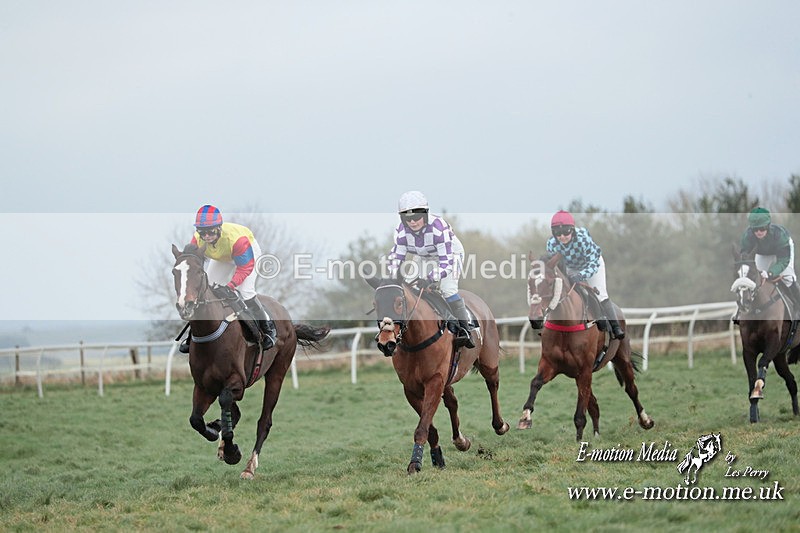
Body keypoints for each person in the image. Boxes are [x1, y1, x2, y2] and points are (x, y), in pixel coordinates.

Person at [179, 205, 276, 353]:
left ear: (219, 228)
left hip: (246, 254)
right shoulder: (197, 239)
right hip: (222, 257)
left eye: (211, 231)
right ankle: (191, 335)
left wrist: (231, 285)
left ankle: (268, 328)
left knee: (245, 291)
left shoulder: (237, 240)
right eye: (202, 232)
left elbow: (245, 268)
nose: (206, 236)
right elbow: (193, 263)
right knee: (205, 291)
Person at [387, 191, 475, 349]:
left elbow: (446, 263)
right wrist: (392, 278)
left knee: (448, 289)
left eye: (416, 217)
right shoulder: (401, 231)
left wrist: (429, 279)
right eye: (407, 218)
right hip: (423, 256)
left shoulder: (438, 228)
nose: (412, 222)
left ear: (425, 214)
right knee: (408, 289)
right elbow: (396, 258)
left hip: (449, 255)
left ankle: (465, 329)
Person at [545, 210, 625, 339]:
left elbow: (593, 263)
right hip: (571, 267)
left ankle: (616, 327)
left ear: (572, 230)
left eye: (566, 232)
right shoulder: (551, 244)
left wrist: (581, 275)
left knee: (601, 294)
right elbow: (554, 266)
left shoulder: (582, 238)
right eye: (558, 233)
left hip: (592, 264)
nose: (562, 237)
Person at [739, 206, 800, 318]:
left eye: (762, 228)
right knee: (754, 277)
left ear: (767, 226)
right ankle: (746, 306)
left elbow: (783, 261)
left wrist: (770, 273)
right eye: (755, 229)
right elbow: (745, 257)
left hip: (782, 253)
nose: (759, 232)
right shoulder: (747, 237)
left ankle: (797, 305)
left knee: (788, 277)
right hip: (763, 253)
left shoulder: (780, 236)